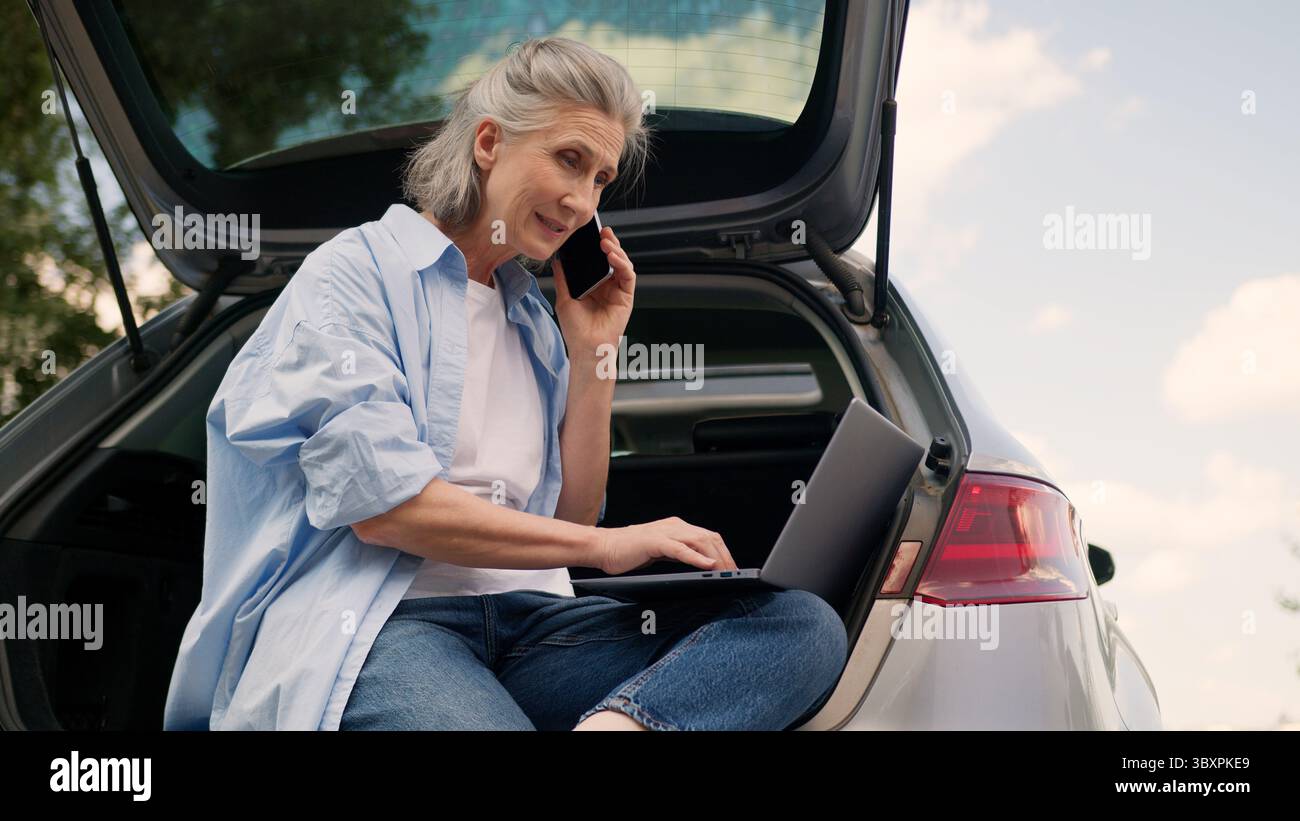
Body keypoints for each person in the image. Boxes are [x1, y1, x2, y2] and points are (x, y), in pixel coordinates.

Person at [163, 37, 847, 731]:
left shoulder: (533, 319)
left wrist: (594, 352)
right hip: (385, 627)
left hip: (539, 627)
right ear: (489, 141)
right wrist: (611, 546)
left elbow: (572, 517)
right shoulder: (353, 276)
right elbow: (388, 508)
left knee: (799, 625)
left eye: (602, 180)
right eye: (569, 160)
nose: (583, 201)